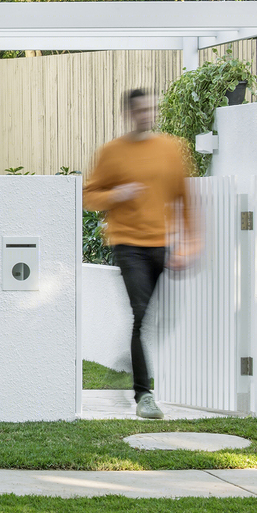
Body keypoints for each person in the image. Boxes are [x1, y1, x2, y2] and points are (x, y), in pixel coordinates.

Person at [82, 88, 200, 420]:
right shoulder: (112, 153)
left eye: (151, 108)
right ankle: (143, 395)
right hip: (128, 243)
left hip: (160, 244)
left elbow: (185, 200)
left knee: (156, 318)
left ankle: (130, 363)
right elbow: (89, 196)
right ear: (128, 114)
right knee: (141, 313)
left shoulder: (171, 150)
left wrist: (189, 243)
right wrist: (117, 194)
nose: (146, 114)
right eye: (140, 110)